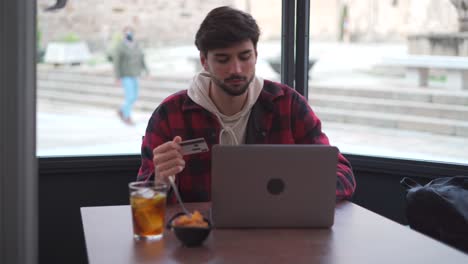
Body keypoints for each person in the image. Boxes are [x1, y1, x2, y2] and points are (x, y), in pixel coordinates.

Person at [137, 6, 356, 202]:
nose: (236, 69)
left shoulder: (288, 105)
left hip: (277, 236)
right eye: (223, 60)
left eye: (245, 57)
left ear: (256, 54)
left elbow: (342, 175)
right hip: (198, 240)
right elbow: (143, 194)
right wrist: (160, 181)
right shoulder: (170, 114)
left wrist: (300, 191)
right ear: (204, 61)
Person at [113, 26, 148, 125]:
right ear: (124, 34)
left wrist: (146, 70)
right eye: (127, 33)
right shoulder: (120, 46)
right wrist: (117, 77)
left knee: (135, 96)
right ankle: (126, 116)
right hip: (125, 75)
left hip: (135, 74)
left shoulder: (136, 45)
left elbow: (142, 57)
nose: (129, 34)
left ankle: (121, 110)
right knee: (130, 96)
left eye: (131, 32)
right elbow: (117, 63)